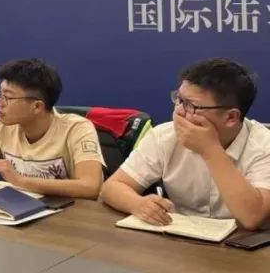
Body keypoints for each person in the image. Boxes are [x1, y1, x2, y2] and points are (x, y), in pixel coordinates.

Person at [102, 58, 270, 231]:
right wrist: (137, 204)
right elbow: (112, 187)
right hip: (181, 238)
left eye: (192, 106)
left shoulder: (264, 145)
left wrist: (210, 150)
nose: (178, 111)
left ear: (230, 117)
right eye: (179, 100)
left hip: (245, 243)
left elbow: (253, 217)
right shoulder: (164, 136)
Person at [0, 58, 103, 200]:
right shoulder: (2, 126)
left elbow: (90, 187)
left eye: (7, 97)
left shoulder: (77, 129)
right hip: (19, 208)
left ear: (37, 106)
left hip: (71, 213)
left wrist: (20, 181)